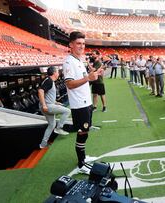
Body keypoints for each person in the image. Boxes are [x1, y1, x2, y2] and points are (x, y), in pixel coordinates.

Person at [63, 31, 102, 174]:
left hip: (86, 102)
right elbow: (70, 84)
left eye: (83, 43)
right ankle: (81, 164)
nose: (82, 46)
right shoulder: (68, 62)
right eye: (78, 43)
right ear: (71, 44)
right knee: (82, 132)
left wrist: (94, 75)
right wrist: (88, 78)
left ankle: (83, 158)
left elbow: (87, 78)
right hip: (79, 104)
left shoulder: (79, 59)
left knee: (85, 132)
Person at [38, 66, 70, 148]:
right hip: (47, 106)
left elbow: (45, 94)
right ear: (54, 73)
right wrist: (44, 105)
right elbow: (40, 91)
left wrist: (55, 102)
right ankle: (59, 128)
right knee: (67, 111)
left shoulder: (49, 81)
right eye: (57, 71)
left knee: (52, 125)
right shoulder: (49, 80)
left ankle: (43, 144)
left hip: (48, 105)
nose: (59, 73)